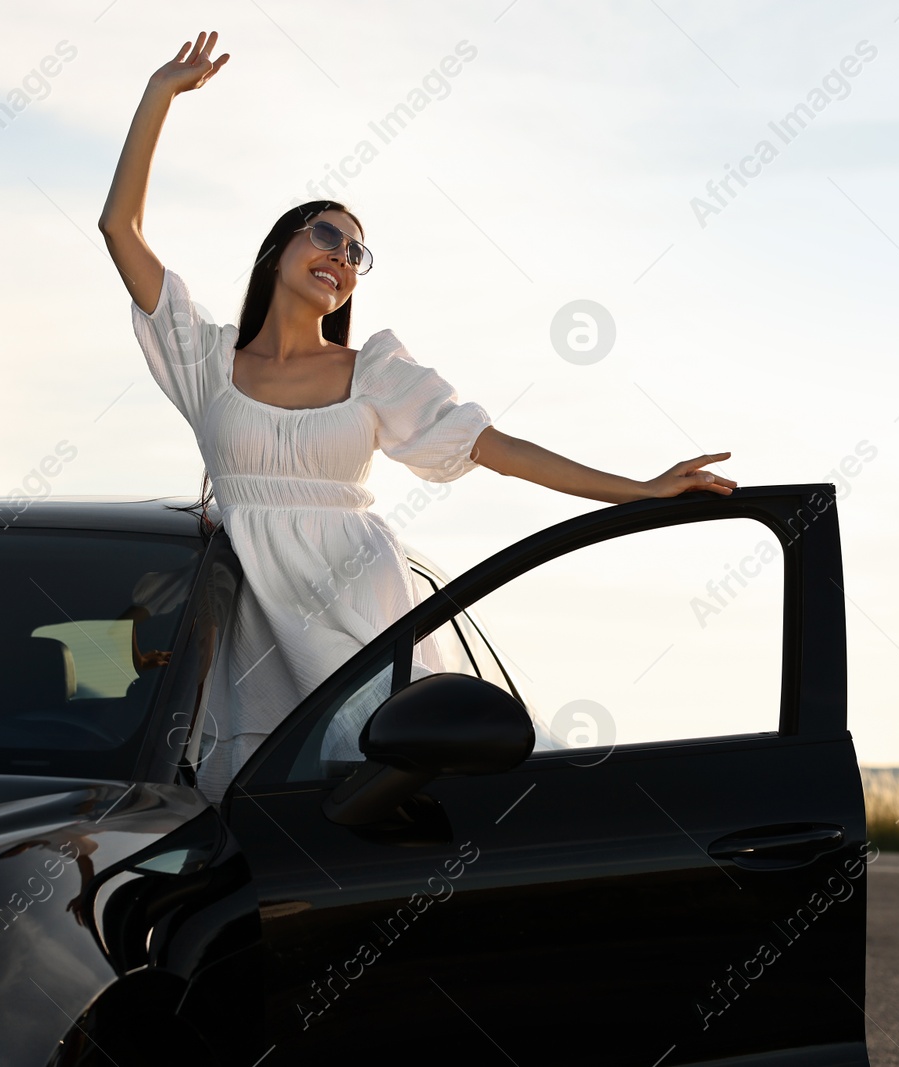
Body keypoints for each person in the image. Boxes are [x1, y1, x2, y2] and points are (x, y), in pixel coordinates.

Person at [98, 31, 738, 801]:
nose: (341, 256)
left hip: (364, 620)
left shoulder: (374, 370)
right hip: (258, 648)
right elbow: (119, 229)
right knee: (270, 819)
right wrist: (160, 94)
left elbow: (492, 445)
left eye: (356, 253)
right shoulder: (207, 364)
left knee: (381, 809)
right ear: (278, 250)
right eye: (327, 235)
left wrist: (635, 489)